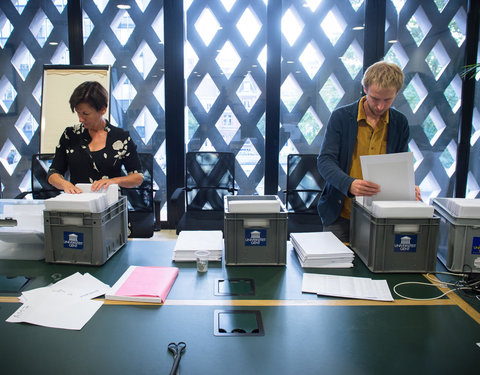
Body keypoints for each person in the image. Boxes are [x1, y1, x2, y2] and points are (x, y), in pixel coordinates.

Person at [317, 61, 421, 242]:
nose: (380, 106)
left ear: (396, 93)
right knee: (334, 267)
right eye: (375, 99)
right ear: (365, 89)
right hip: (341, 214)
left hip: (381, 215)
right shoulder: (341, 117)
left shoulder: (399, 123)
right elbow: (325, 161)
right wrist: (349, 184)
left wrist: (408, 187)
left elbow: (400, 164)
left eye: (387, 100)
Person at [48, 81, 144, 193]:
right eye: (78, 113)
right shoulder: (70, 135)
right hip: (79, 203)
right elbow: (53, 173)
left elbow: (138, 177)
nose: (80, 119)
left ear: (103, 109)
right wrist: (64, 184)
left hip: (109, 204)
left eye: (85, 114)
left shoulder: (120, 137)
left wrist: (114, 181)